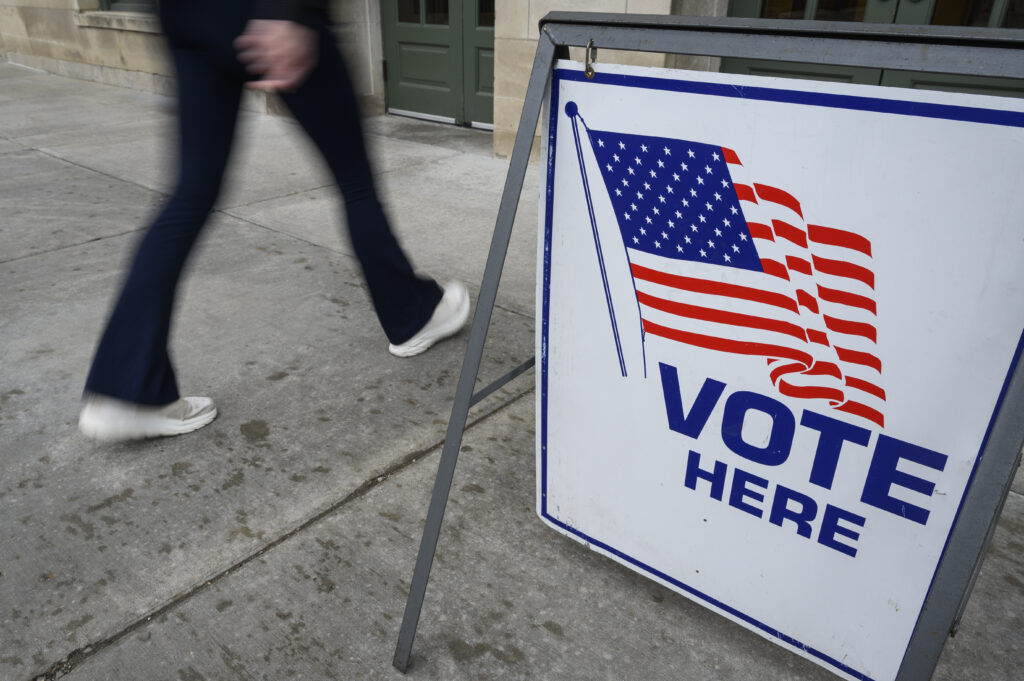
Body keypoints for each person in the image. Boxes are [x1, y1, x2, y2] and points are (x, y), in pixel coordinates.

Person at [78, 0, 469, 441]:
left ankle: (125, 389)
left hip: (185, 16)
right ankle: (412, 315)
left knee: (190, 194)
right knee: (354, 178)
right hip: (262, 11)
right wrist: (289, 10)